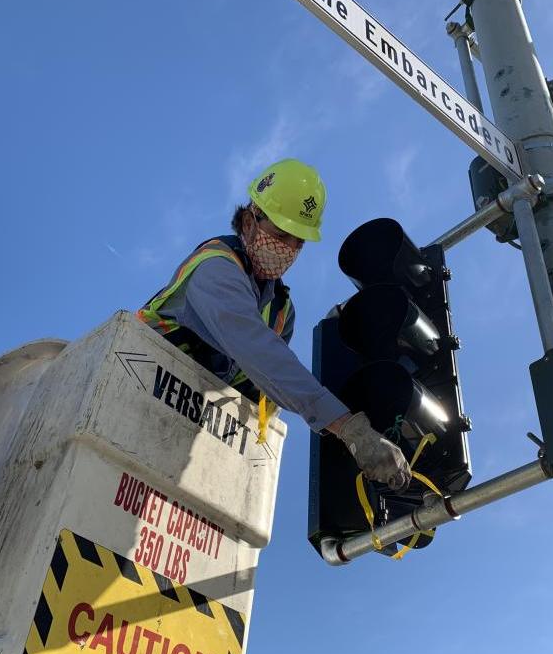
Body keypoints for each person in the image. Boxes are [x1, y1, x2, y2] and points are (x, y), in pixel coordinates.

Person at [137, 158, 410, 491]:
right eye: (282, 235)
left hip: (180, 438)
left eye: (298, 242)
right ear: (250, 222)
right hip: (134, 392)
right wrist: (349, 429)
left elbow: (265, 392)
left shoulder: (281, 312)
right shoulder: (215, 268)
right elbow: (261, 354)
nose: (289, 250)